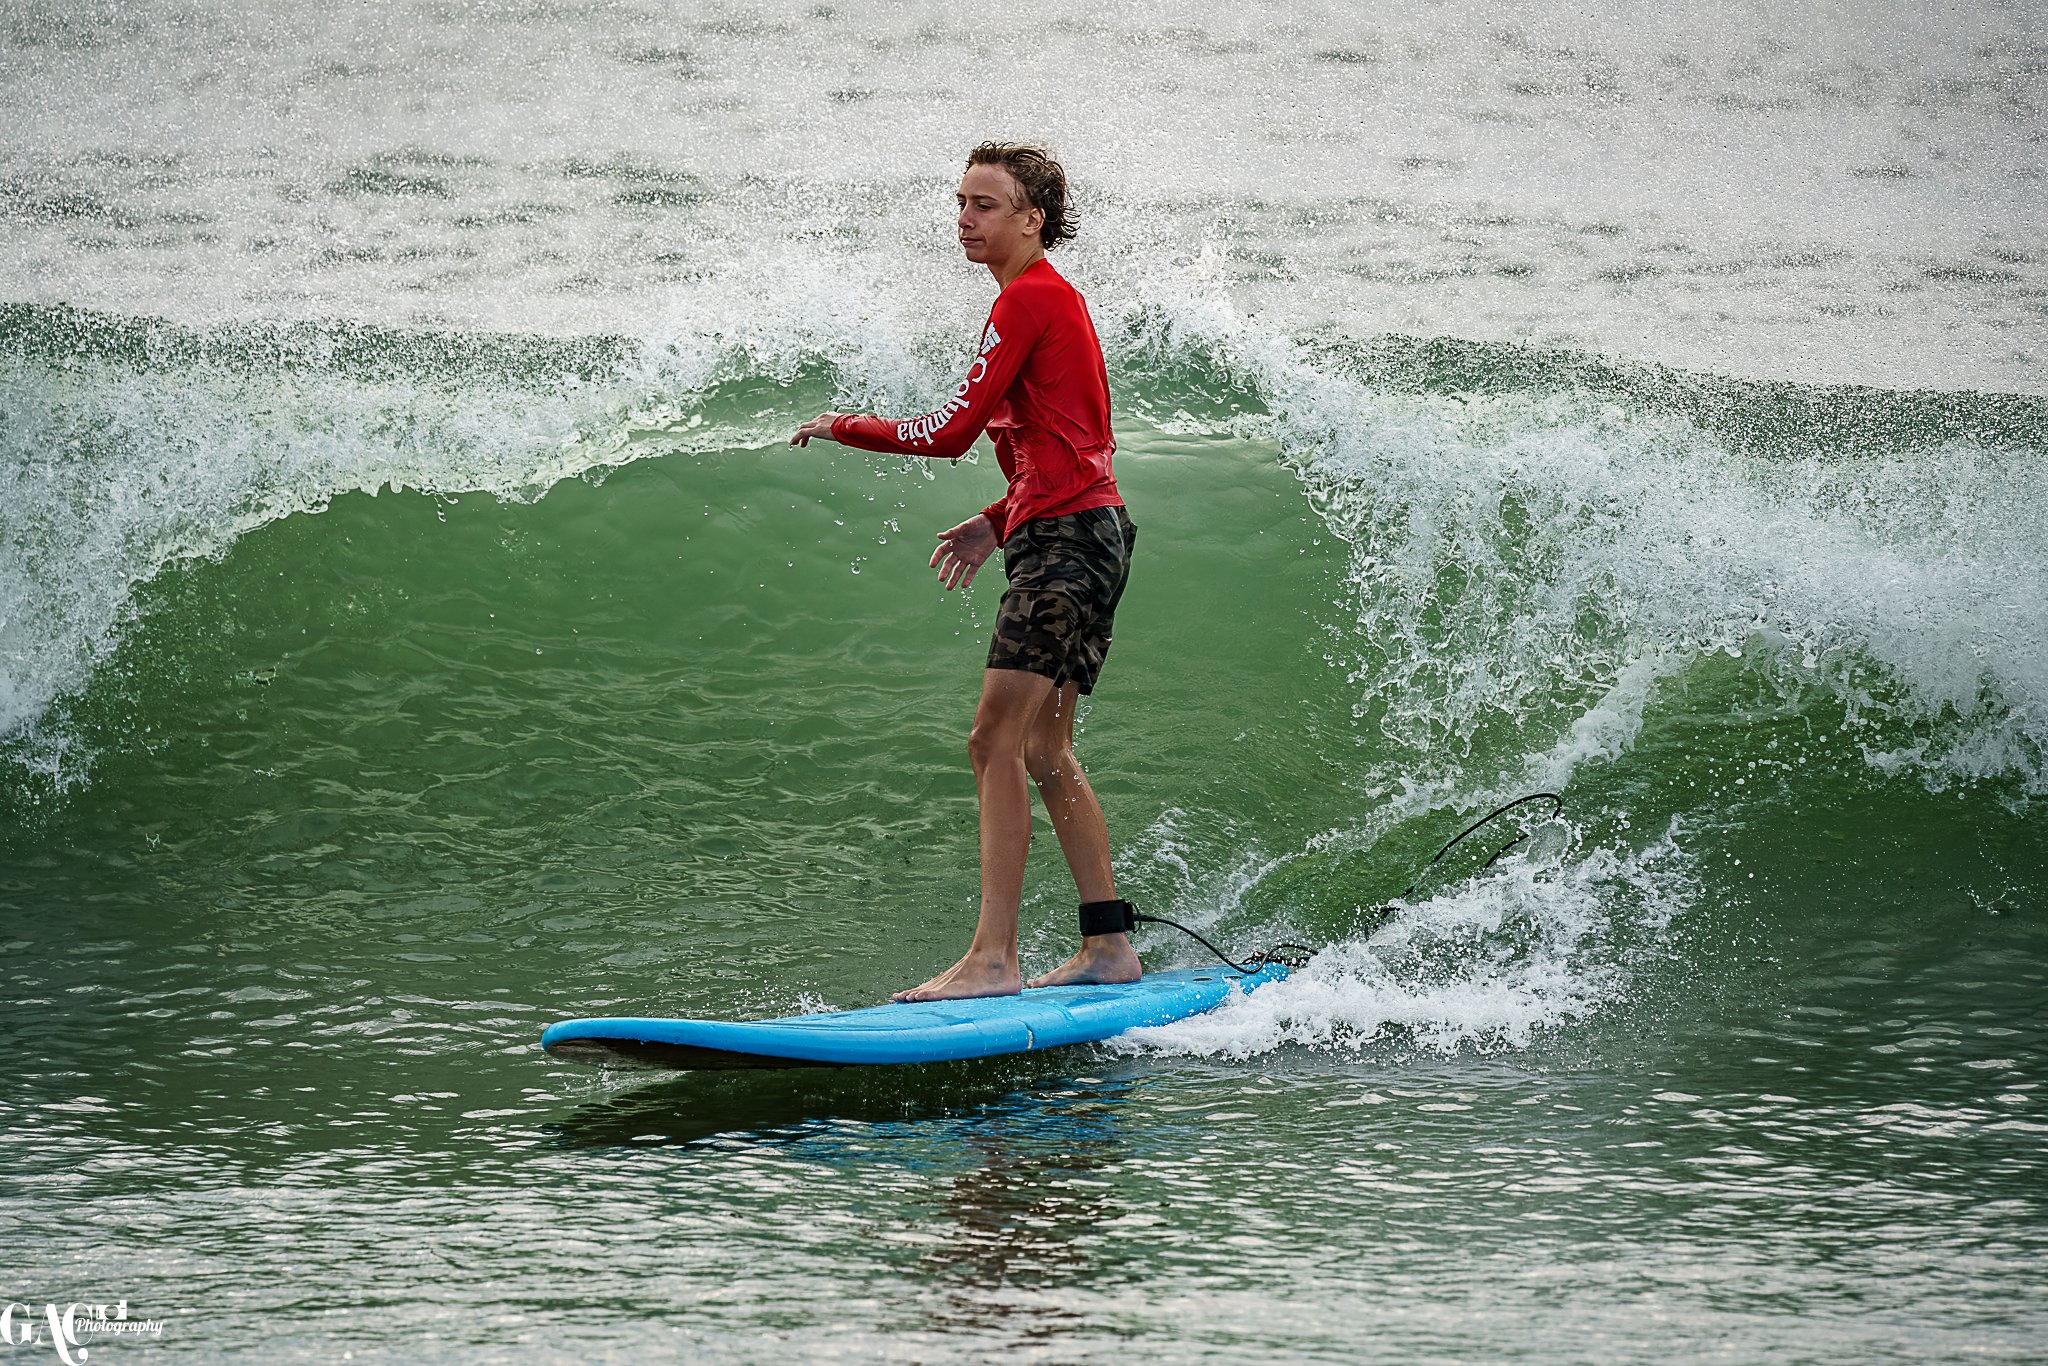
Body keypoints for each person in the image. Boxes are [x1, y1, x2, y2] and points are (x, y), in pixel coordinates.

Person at [790, 142, 1141, 1002]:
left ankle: (993, 959)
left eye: (986, 205)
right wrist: (997, 520)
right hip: (1088, 532)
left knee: (994, 741)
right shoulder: (1055, 303)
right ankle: (1109, 947)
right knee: (1045, 747)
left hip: (1066, 547)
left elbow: (949, 432)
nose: (965, 218)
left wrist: (848, 424)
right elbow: (1079, 444)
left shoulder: (1028, 301)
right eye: (961, 203)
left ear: (1034, 219)